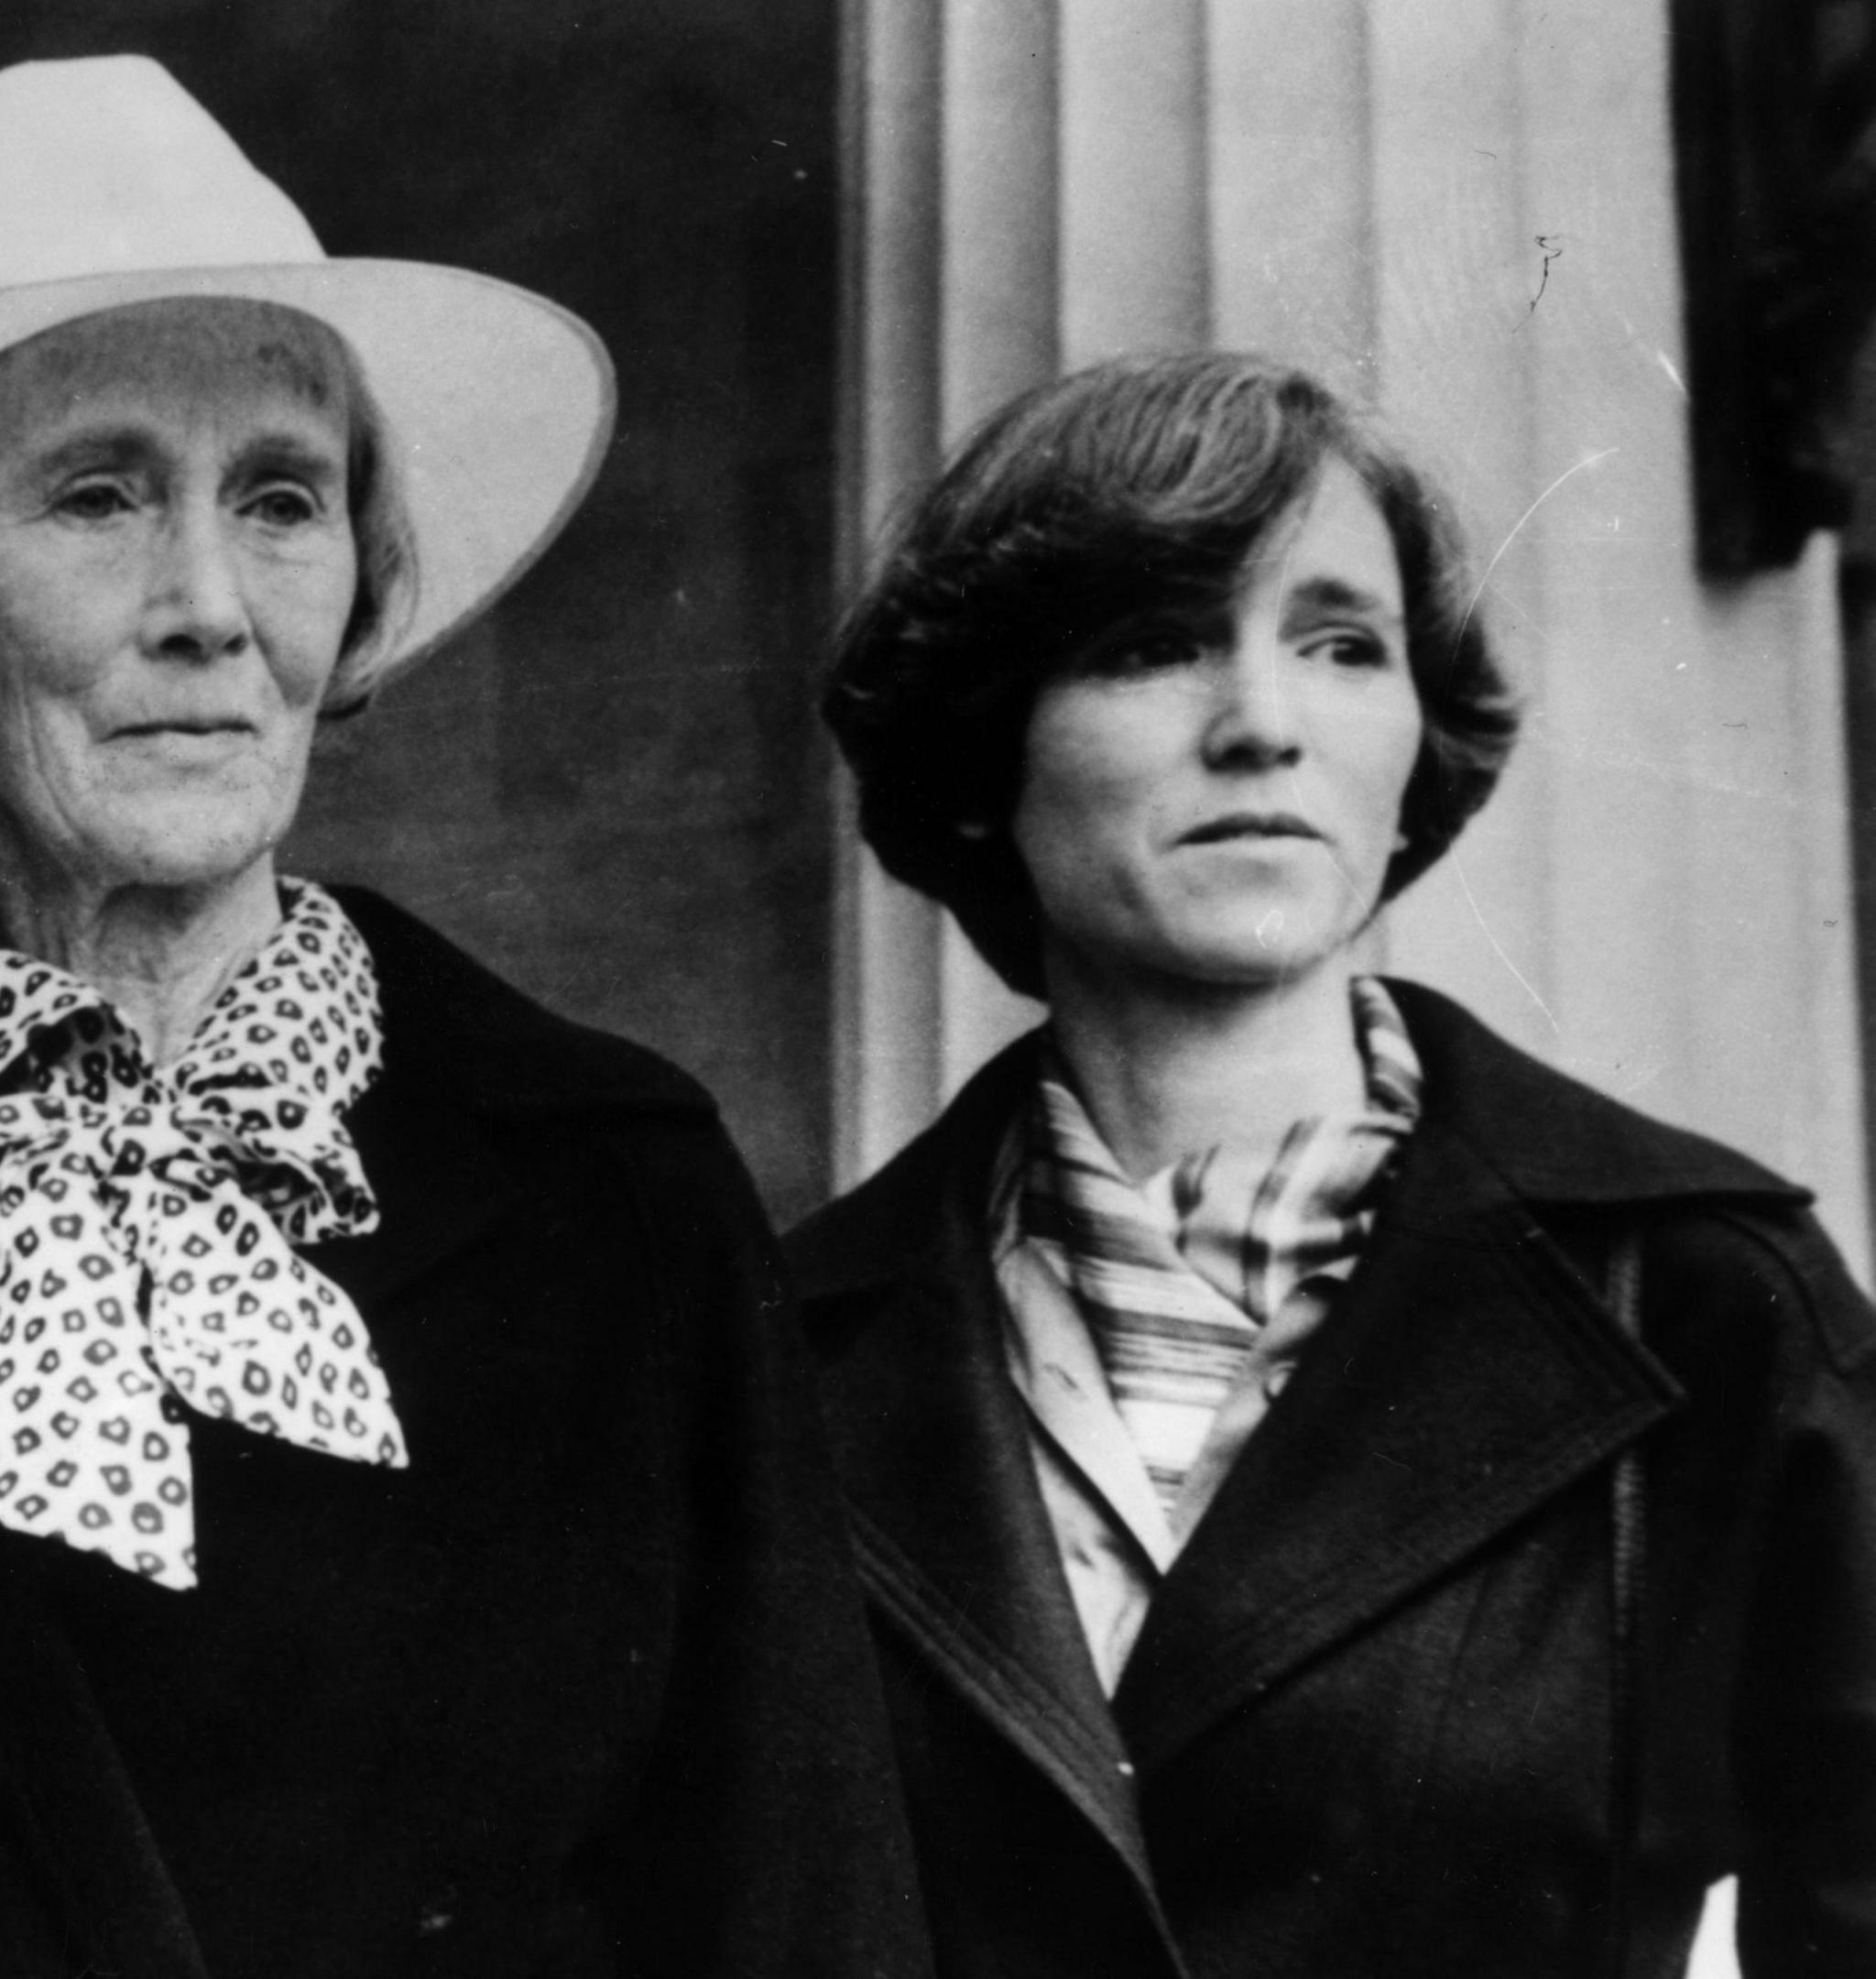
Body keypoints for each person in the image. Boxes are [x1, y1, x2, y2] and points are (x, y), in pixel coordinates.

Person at [0, 55, 923, 1978]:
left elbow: (797, 1906)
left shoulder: (618, 1185)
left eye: (280, 499)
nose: (208, 603)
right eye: (97, 495)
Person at [803, 349, 1876, 1976]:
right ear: (981, 755)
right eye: (1154, 646)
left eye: (1341, 645)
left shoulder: (1706, 1298)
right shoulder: (773, 1342)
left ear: (1412, 745)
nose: (1264, 726)